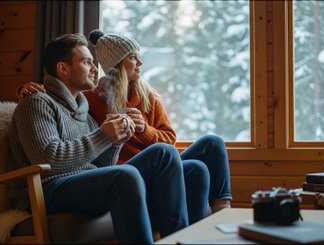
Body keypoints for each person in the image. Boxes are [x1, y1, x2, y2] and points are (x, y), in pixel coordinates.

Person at [17, 30, 232, 223]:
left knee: (210, 146)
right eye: (133, 57)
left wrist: (144, 130)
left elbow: (170, 137)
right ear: (117, 64)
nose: (140, 63)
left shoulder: (149, 98)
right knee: (171, 157)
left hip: (155, 166)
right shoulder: (89, 100)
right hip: (122, 171)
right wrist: (26, 90)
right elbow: (58, 104)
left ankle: (220, 219)